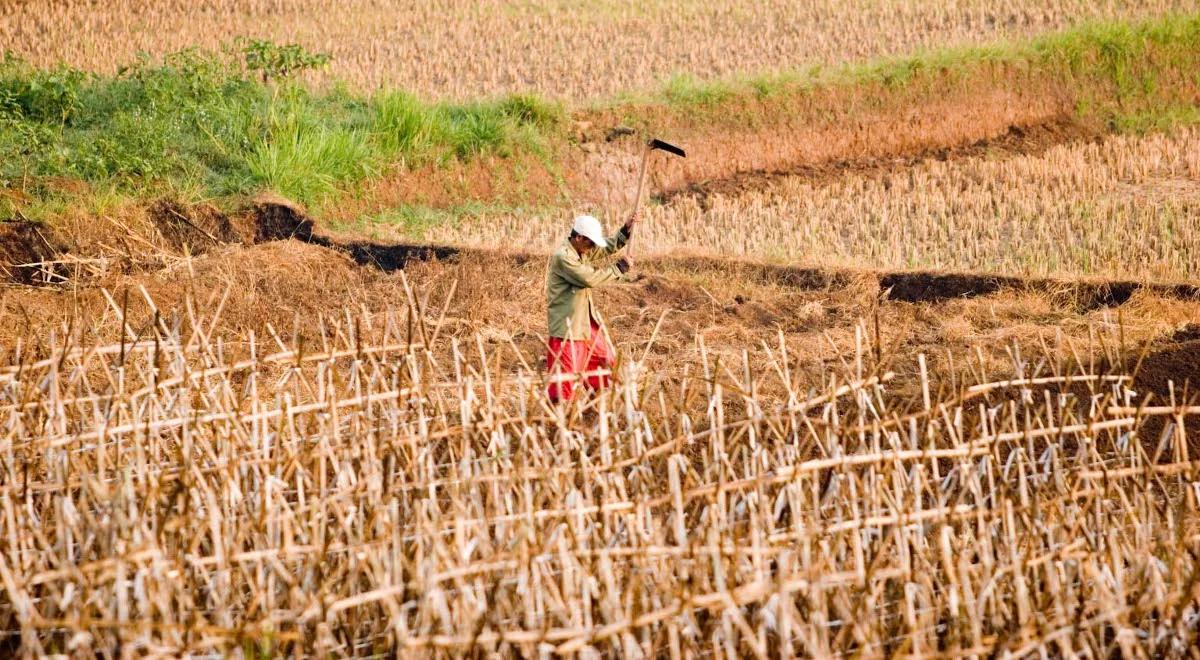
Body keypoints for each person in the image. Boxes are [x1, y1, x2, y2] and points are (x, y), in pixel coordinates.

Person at [545, 212, 638, 403]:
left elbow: (604, 249)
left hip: (585, 324)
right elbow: (590, 278)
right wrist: (618, 268)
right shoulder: (563, 257)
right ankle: (562, 420)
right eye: (590, 243)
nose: (593, 248)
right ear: (578, 237)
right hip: (568, 329)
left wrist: (625, 232)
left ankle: (593, 407)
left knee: (606, 362)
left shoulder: (581, 250)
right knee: (565, 385)